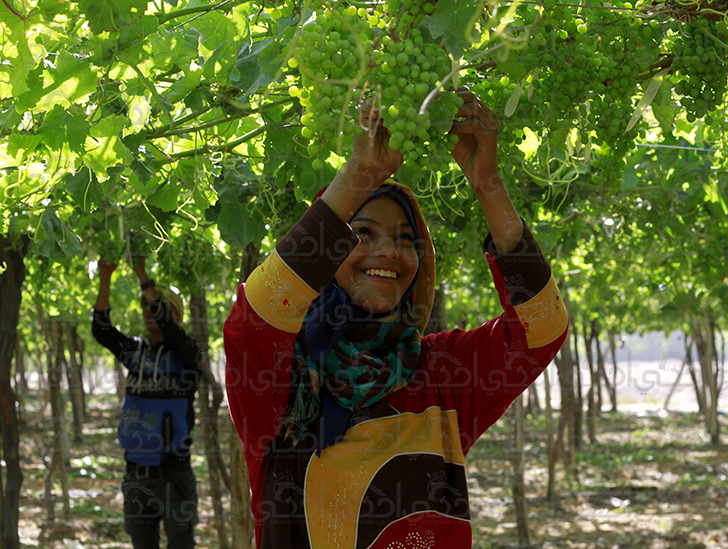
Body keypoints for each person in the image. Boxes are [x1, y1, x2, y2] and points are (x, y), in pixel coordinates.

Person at [224, 90, 569, 548]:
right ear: (326, 252)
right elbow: (255, 318)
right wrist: (358, 176)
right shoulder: (282, 379)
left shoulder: (442, 374)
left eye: (406, 239)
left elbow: (541, 328)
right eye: (362, 234)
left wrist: (488, 183)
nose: (389, 251)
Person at [92, 258, 200, 549]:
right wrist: (105, 276)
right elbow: (102, 330)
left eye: (160, 308)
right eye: (147, 307)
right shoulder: (135, 352)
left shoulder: (187, 354)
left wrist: (142, 275)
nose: (151, 313)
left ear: (176, 314)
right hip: (136, 473)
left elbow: (170, 330)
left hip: (174, 472)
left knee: (181, 542)